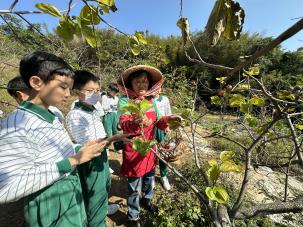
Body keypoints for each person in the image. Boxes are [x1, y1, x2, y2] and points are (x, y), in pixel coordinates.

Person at [0, 51, 108, 226]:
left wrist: (79, 148)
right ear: (36, 82)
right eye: (63, 87)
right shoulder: (17, 126)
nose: (67, 94)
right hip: (50, 199)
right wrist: (72, 161)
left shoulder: (49, 115)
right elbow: (5, 188)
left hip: (68, 189)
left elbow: (53, 153)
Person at [117, 65, 179, 226]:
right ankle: (133, 216)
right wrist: (135, 121)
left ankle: (147, 200)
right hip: (134, 148)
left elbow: (158, 122)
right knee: (133, 185)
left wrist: (169, 120)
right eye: (137, 82)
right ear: (130, 84)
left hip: (150, 147)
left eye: (144, 81)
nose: (141, 85)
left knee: (149, 178)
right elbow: (123, 123)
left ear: (149, 84)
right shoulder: (125, 100)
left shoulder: (151, 100)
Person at [66, 70, 128, 226]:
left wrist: (112, 139)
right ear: (77, 91)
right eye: (89, 91)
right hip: (91, 160)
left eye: (97, 90)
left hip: (102, 155)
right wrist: (114, 138)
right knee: (96, 191)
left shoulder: (93, 110)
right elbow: (88, 147)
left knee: (104, 186)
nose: (95, 94)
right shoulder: (76, 115)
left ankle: (102, 208)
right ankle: (96, 221)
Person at [154, 89, 172, 190]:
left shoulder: (164, 99)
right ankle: (150, 175)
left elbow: (168, 114)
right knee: (151, 152)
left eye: (158, 87)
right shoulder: (147, 99)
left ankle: (163, 176)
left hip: (162, 127)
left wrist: (167, 126)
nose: (156, 90)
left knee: (163, 152)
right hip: (150, 128)